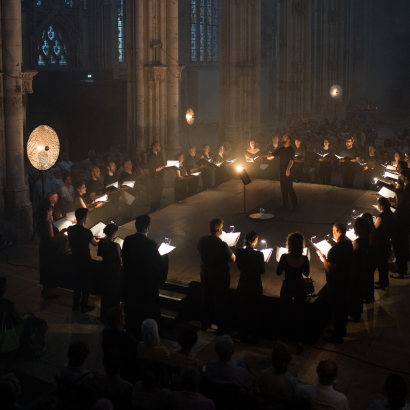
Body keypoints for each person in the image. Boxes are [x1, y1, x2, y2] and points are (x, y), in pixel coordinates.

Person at [122, 214, 166, 338]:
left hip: (131, 283)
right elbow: (157, 265)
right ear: (147, 227)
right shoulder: (151, 244)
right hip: (146, 286)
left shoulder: (128, 240)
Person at [197, 218, 236, 335]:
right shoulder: (222, 244)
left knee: (206, 299)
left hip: (205, 275)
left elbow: (200, 250)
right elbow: (232, 259)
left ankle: (204, 325)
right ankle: (221, 328)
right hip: (220, 277)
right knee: (220, 302)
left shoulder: (202, 241)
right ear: (219, 229)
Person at [317, 223, 353, 343]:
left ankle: (337, 336)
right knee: (342, 307)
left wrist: (323, 259)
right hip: (345, 279)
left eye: (333, 230)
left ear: (337, 231)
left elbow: (330, 268)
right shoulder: (348, 243)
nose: (332, 232)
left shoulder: (335, 250)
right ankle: (341, 330)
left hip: (335, 283)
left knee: (337, 309)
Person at [276, 232, 309, 353]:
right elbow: (306, 273)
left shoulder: (284, 257)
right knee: (300, 314)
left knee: (283, 312)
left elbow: (278, 272)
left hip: (287, 286)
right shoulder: (304, 258)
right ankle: (299, 342)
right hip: (300, 287)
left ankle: (280, 340)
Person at [235, 231, 265, 344]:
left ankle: (242, 335)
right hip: (255, 285)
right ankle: (254, 337)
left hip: (243, 284)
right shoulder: (259, 255)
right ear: (255, 241)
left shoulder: (239, 252)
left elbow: (239, 266)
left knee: (243, 311)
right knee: (255, 312)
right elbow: (262, 271)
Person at [67, 208, 99, 313]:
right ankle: (84, 305)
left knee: (77, 282)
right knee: (86, 284)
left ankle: (75, 304)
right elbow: (94, 243)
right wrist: (100, 238)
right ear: (84, 218)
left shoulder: (70, 229)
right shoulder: (87, 232)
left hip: (74, 259)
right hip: (85, 260)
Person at [259, 134, 298, 212]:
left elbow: (291, 161)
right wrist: (262, 155)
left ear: (288, 140)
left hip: (288, 172)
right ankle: (285, 205)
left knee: (289, 188)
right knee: (283, 189)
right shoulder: (282, 149)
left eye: (284, 138)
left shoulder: (291, 149)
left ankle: (295, 205)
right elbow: (272, 154)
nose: (282, 138)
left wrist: (288, 169)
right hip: (282, 171)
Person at [102, 307, 139, 383]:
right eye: (123, 316)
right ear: (119, 321)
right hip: (124, 372)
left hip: (109, 368)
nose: (125, 316)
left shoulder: (105, 332)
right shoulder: (126, 337)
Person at [348, 217, 371, 322]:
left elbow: (351, 256)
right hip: (364, 268)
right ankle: (357, 312)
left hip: (356, 270)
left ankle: (354, 314)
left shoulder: (357, 242)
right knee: (359, 291)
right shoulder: (368, 238)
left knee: (354, 292)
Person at [97, 224, 122, 322]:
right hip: (114, 271)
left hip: (104, 268)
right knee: (113, 293)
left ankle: (103, 316)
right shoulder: (116, 245)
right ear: (114, 233)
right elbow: (119, 260)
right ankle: (113, 317)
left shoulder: (101, 242)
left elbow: (100, 254)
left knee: (105, 293)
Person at [37, 203, 60, 300]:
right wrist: (62, 233)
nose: (52, 211)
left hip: (43, 246)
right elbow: (52, 238)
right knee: (50, 268)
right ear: (48, 211)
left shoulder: (41, 221)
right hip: (49, 248)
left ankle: (45, 289)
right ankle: (50, 293)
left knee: (45, 267)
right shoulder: (47, 223)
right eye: (51, 210)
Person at [374, 197, 394, 289]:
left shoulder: (381, 217)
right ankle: (384, 281)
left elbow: (374, 229)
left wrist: (375, 220)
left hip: (380, 242)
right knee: (384, 263)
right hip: (386, 241)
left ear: (381, 206)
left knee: (381, 263)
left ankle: (382, 282)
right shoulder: (390, 213)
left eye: (378, 204)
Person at [390, 189, 410, 279]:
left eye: (396, 196)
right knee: (404, 251)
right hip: (404, 233)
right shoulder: (406, 206)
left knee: (399, 252)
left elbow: (396, 221)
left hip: (399, 233)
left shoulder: (401, 208)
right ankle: (404, 269)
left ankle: (400, 272)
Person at [147, 141, 166, 212]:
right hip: (155, 179)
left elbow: (162, 164)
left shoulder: (160, 154)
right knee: (154, 195)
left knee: (159, 195)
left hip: (160, 178)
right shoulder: (150, 156)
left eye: (160, 145)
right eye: (158, 146)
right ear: (154, 147)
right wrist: (161, 167)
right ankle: (153, 210)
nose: (160, 147)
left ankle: (158, 209)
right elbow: (152, 170)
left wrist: (167, 167)